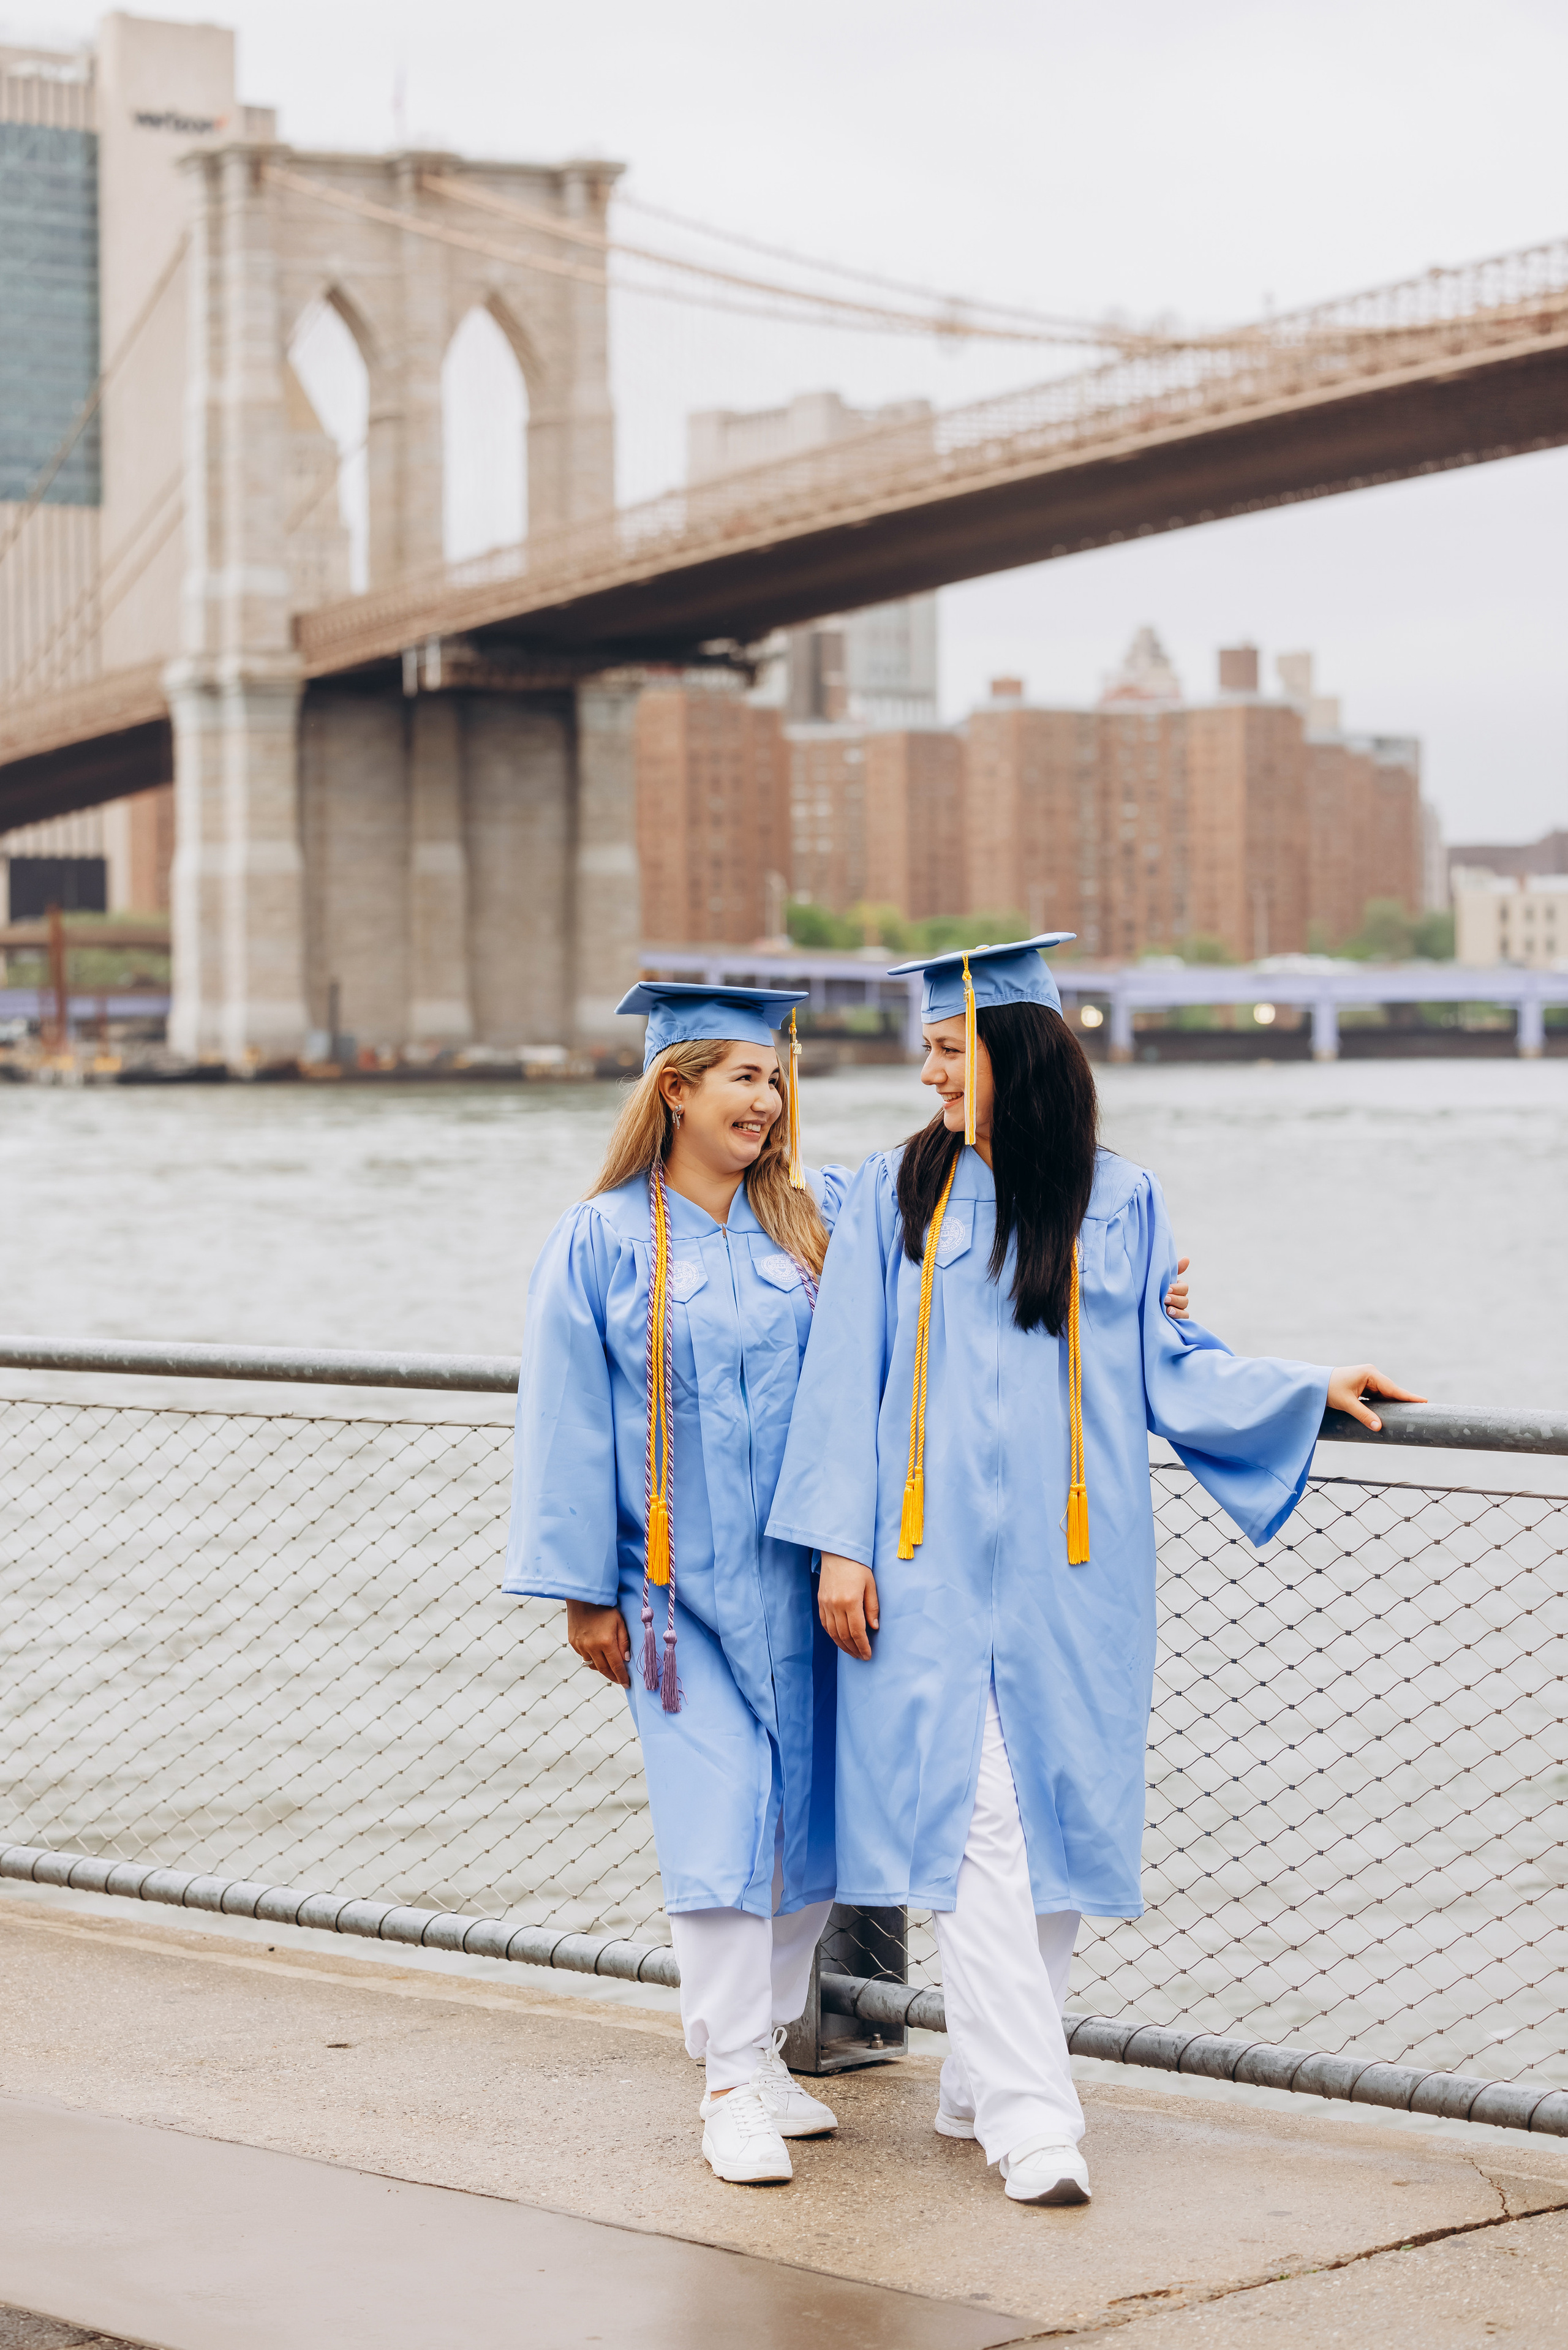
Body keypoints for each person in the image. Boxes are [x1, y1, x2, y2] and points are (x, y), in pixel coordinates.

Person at [766, 935, 1422, 2209]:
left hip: (1078, 1568)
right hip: (923, 1564)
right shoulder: (894, 1193)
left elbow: (1164, 1364)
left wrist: (1303, 1383)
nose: (927, 1076)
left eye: (949, 1051)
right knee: (978, 1824)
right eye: (929, 1050)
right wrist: (838, 1543)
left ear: (1016, 1056)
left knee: (1052, 1825)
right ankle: (1030, 2114)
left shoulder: (1117, 1201)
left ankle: (972, 2086)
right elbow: (841, 1375)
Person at [504, 981, 850, 2186]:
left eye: (775, 1077)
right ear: (676, 1087)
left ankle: (760, 2052)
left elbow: (953, 1252)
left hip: (809, 1577)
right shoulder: (599, 1236)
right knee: (721, 1811)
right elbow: (561, 1420)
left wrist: (1139, 1285)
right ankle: (724, 2079)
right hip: (669, 1589)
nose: (766, 1100)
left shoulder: (814, 1222)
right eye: (742, 1077)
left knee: (808, 1817)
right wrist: (580, 1589)